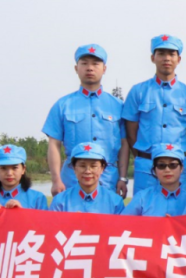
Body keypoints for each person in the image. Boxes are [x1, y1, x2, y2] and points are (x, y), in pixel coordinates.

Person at [42, 44, 128, 197]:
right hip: (72, 179)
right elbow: (54, 144)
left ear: (104, 69)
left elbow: (124, 144)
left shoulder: (118, 106)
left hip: (109, 180)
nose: (90, 68)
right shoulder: (63, 105)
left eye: (95, 64)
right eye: (84, 63)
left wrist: (122, 177)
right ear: (76, 68)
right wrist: (56, 180)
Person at [123, 34, 186, 195]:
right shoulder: (138, 91)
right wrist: (144, 155)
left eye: (171, 54)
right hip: (146, 164)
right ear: (153, 58)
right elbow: (131, 132)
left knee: (181, 208)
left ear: (179, 59)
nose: (167, 58)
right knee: (144, 208)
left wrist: (174, 154)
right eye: (161, 53)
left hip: (178, 165)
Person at [50, 142, 126, 214]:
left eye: (93, 166)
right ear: (74, 168)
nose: (88, 171)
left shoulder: (115, 202)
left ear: (102, 168)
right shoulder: (60, 202)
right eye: (82, 166)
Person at [121, 143, 186, 217]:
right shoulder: (142, 198)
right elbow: (124, 221)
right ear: (154, 170)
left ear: (181, 168)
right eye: (161, 165)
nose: (167, 170)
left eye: (173, 165)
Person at [0, 144, 49, 210]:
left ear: (23, 169)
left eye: (14, 168)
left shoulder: (37, 199)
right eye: (3, 168)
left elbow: (43, 220)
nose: (9, 173)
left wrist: (22, 213)